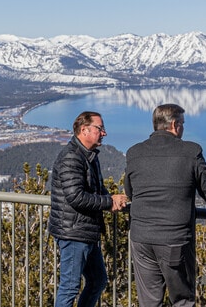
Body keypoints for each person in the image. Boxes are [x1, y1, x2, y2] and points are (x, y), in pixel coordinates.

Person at [124, 103, 206, 307]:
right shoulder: (190, 151)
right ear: (174, 125)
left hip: (141, 237)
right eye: (182, 123)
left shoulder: (134, 152)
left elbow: (130, 192)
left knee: (149, 301)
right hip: (174, 239)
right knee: (182, 300)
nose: (183, 128)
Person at [48, 111, 128, 307]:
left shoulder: (89, 156)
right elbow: (76, 197)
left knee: (98, 280)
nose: (104, 133)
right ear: (84, 130)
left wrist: (115, 199)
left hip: (85, 232)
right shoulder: (71, 158)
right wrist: (109, 202)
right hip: (74, 233)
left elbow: (96, 189)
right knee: (69, 287)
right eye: (100, 129)